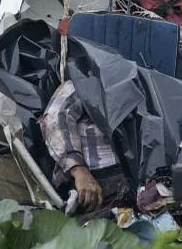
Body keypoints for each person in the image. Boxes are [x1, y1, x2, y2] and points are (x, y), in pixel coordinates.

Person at [39, 79, 132, 218]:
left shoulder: (149, 86)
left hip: (133, 183)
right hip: (91, 181)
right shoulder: (84, 80)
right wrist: (78, 170)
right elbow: (55, 117)